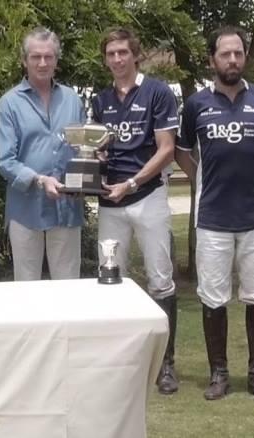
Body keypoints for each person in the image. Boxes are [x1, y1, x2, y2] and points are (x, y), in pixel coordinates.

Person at [176, 26, 254, 402]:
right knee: (213, 298)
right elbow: (183, 153)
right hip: (212, 220)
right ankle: (218, 373)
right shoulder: (195, 105)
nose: (233, 60)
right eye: (226, 54)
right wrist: (205, 180)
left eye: (238, 53)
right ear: (213, 60)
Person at [91, 28, 179, 394]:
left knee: (161, 280)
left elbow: (167, 149)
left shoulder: (157, 92)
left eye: (123, 52)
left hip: (148, 198)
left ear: (135, 55)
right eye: (110, 54)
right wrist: (95, 159)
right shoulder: (100, 100)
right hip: (111, 203)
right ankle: (120, 362)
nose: (117, 59)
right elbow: (99, 147)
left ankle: (166, 365)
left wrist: (131, 183)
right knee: (112, 281)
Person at [0, 27, 85, 281]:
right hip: (26, 209)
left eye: (49, 56)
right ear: (24, 60)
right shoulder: (9, 103)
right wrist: (40, 180)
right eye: (36, 57)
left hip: (66, 207)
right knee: (27, 289)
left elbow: (82, 147)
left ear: (57, 60)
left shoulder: (72, 100)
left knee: (68, 287)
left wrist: (94, 159)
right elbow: (5, 161)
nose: (42, 63)